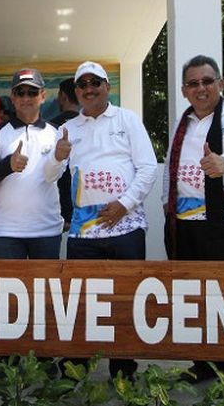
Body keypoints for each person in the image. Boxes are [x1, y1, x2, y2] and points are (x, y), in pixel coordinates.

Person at [55, 61, 157, 379]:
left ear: (107, 87)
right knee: (84, 301)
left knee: (126, 300)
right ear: (77, 92)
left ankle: (123, 367)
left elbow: (148, 167)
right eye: (82, 84)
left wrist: (124, 204)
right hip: (84, 233)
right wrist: (57, 156)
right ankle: (81, 362)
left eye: (95, 82)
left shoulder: (127, 120)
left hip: (125, 226)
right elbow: (50, 174)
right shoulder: (68, 130)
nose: (89, 89)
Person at [163, 55, 224, 384]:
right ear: (185, 90)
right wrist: (166, 203)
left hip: (221, 223)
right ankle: (201, 364)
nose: (200, 88)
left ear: (221, 84)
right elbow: (169, 169)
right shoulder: (182, 123)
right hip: (183, 223)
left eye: (206, 81)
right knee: (192, 296)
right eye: (193, 83)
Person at [0, 68, 64, 259]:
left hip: (47, 230)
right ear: (13, 98)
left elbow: (62, 179)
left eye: (32, 92)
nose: (26, 98)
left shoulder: (57, 133)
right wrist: (8, 165)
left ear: (43, 96)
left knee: (46, 289)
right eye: (20, 92)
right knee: (7, 288)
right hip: (6, 231)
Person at [50, 78, 80, 227]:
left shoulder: (51, 126)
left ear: (63, 96)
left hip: (58, 205)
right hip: (84, 204)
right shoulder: (87, 124)